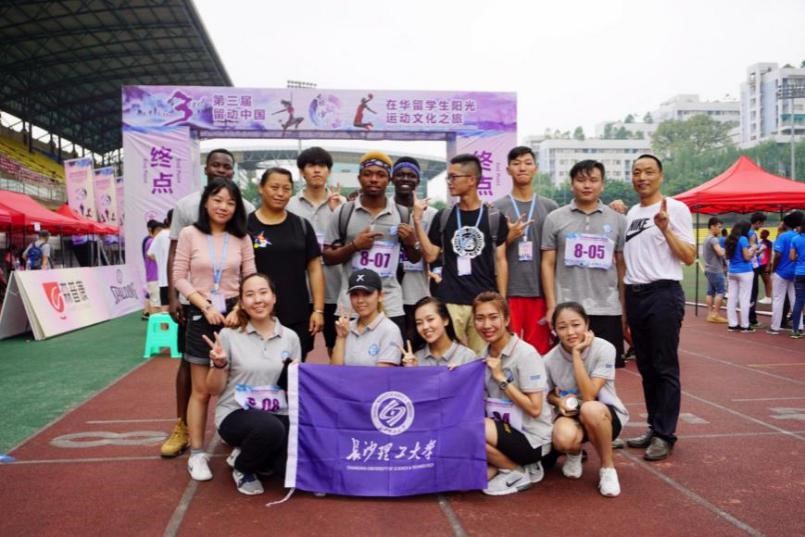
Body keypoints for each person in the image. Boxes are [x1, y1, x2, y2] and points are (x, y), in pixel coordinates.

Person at [161, 149, 254, 459]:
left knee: (239, 378)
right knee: (197, 381)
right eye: (217, 200)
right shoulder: (189, 230)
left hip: (236, 313)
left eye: (230, 202)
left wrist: (240, 308)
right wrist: (203, 306)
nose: (223, 206)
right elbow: (178, 273)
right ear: (205, 202)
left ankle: (239, 438)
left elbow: (250, 276)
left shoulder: (242, 237)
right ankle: (193, 445)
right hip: (200, 312)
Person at [623, 154, 695, 462]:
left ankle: (665, 435)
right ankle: (654, 427)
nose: (642, 177)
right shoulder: (631, 213)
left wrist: (666, 229)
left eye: (649, 172)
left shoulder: (675, 208)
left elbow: (689, 256)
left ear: (661, 176)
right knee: (646, 367)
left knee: (665, 366)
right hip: (635, 295)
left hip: (663, 294)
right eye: (637, 172)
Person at [205, 273, 300, 495]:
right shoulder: (228, 336)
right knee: (269, 429)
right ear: (242, 302)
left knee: (285, 470)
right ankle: (243, 467)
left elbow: (292, 388)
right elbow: (213, 390)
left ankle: (249, 453)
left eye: (263, 293)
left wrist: (295, 375)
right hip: (236, 413)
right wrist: (219, 365)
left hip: (278, 413)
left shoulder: (291, 338)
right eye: (250, 295)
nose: (257, 300)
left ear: (274, 297)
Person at [413, 154, 509, 353]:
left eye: (454, 177)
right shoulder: (444, 216)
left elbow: (501, 261)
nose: (449, 182)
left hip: (483, 300)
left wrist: (501, 301)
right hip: (450, 299)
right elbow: (430, 256)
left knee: (481, 358)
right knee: (448, 356)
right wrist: (417, 221)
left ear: (471, 179)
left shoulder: (493, 217)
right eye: (448, 177)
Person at [323, 151, 421, 336]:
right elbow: (327, 257)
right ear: (359, 178)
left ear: (389, 179)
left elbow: (415, 258)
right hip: (352, 303)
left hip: (390, 304)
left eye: (380, 175)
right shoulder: (343, 212)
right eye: (368, 174)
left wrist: (411, 242)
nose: (374, 179)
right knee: (347, 353)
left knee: (392, 353)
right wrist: (354, 246)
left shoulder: (402, 213)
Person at [541, 159, 627, 365]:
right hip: (567, 308)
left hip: (607, 308)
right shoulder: (555, 218)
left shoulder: (617, 220)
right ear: (572, 184)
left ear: (602, 184)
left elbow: (622, 266)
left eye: (593, 180)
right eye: (581, 180)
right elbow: (547, 264)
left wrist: (624, 306)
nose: (587, 185)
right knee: (567, 368)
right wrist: (552, 305)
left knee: (605, 371)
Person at [544, 302, 629, 497]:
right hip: (572, 414)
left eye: (576, 325)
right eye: (562, 327)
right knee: (562, 439)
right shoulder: (548, 359)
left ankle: (607, 468)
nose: (570, 332)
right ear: (555, 330)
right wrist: (558, 402)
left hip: (604, 414)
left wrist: (576, 355)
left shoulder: (604, 348)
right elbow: (547, 393)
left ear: (587, 324)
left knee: (590, 408)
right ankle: (574, 453)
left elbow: (590, 395)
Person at [474, 291, 552, 496]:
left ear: (507, 319)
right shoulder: (482, 355)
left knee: (474, 428)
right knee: (473, 475)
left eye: (493, 317)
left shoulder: (526, 354)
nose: (486, 325)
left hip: (532, 439)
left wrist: (501, 379)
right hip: (502, 432)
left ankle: (516, 471)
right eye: (480, 318)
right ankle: (505, 465)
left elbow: (535, 409)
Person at [247, 167, 324, 359]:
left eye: (286, 189)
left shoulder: (302, 226)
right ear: (261, 188)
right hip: (257, 313)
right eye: (274, 187)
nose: (280, 193)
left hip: (297, 314)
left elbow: (315, 269)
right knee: (258, 367)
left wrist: (318, 309)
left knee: (294, 369)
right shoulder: (246, 226)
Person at [493, 146, 558, 354]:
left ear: (536, 168)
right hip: (509, 293)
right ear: (508, 170)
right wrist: (508, 238)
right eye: (516, 163)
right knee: (507, 351)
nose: (522, 168)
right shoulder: (495, 208)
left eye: (528, 163)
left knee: (539, 353)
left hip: (540, 293)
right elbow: (489, 255)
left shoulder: (550, 208)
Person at [286, 146, 343, 356]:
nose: (317, 170)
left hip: (336, 291)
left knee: (337, 350)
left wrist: (336, 213)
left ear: (329, 171)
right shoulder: (289, 206)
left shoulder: (343, 206)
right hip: (300, 293)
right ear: (302, 171)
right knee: (297, 353)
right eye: (311, 166)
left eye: (322, 166)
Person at [392, 156, 437, 340]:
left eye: (411, 175)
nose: (405, 179)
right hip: (388, 294)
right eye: (400, 174)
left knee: (417, 347)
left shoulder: (431, 214)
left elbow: (433, 255)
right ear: (392, 178)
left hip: (417, 293)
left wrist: (414, 242)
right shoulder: (383, 210)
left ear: (418, 180)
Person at [331, 268, 403, 367]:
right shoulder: (346, 327)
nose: (360, 300)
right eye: (355, 294)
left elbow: (383, 374)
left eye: (367, 294)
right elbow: (334, 371)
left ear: (380, 296)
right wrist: (341, 338)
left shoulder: (390, 330)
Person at [400, 296, 478, 368]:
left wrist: (460, 374)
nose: (425, 327)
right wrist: (412, 371)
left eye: (430, 319)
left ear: (445, 320)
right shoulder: (416, 358)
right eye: (419, 323)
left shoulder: (467, 357)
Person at [767, 211, 803, 335]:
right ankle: (799, 326)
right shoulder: (799, 236)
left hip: (781, 272)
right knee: (795, 300)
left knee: (778, 299)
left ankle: (775, 327)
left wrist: (773, 269)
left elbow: (777, 254)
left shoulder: (782, 236)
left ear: (785, 223)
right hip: (795, 272)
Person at [725, 221, 757, 332]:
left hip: (732, 271)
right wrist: (753, 247)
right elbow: (747, 257)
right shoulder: (743, 239)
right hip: (744, 271)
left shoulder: (730, 239)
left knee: (731, 298)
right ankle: (745, 325)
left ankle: (732, 324)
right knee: (744, 298)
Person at [702, 216, 728, 323]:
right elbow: (720, 252)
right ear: (712, 226)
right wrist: (727, 250)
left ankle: (710, 314)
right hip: (716, 269)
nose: (720, 229)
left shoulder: (706, 238)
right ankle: (715, 314)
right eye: (719, 227)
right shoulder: (713, 239)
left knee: (710, 292)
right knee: (721, 292)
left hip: (709, 269)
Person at [147, 210, 173, 312]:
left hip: (165, 279)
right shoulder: (183, 233)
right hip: (178, 279)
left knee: (164, 307)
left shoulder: (161, 235)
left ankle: (163, 324)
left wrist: (161, 261)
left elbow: (150, 254)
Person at [748, 212, 767, 327]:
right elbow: (752, 251)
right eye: (761, 224)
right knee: (753, 293)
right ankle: (752, 319)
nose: (761, 226)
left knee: (751, 292)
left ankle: (750, 318)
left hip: (750, 265)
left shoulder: (749, 232)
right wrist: (761, 249)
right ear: (757, 222)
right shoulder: (751, 233)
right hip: (752, 266)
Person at [142, 220, 162, 319]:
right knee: (156, 303)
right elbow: (152, 256)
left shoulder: (151, 241)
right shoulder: (151, 241)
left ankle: (155, 324)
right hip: (154, 276)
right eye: (159, 230)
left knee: (156, 302)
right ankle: (155, 325)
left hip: (155, 276)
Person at [789, 227, 805, 339]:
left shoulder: (795, 239)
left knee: (799, 301)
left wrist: (799, 257)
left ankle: (795, 330)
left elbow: (791, 257)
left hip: (799, 272)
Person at [758, 229, 773, 303]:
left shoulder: (769, 243)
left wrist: (768, 265)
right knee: (765, 281)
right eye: (761, 233)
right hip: (760, 263)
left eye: (763, 233)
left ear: (766, 235)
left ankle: (768, 297)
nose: (761, 234)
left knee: (767, 281)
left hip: (765, 264)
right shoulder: (760, 242)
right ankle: (767, 297)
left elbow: (770, 254)